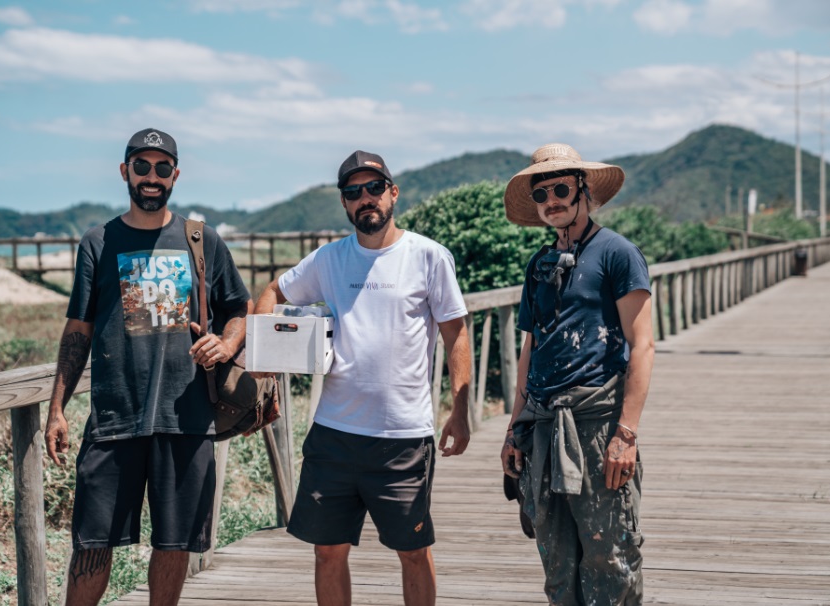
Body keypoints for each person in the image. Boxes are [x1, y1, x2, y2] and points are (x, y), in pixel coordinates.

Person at [253, 150, 472, 606]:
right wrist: (264, 354)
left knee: (413, 551)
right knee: (327, 551)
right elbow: (274, 290)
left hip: (403, 437)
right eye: (353, 193)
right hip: (334, 433)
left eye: (374, 188)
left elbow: (456, 333)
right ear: (344, 204)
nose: (365, 198)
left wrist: (460, 411)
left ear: (393, 192)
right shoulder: (328, 259)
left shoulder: (428, 256)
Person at [44, 128, 250, 606]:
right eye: (142, 166)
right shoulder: (98, 242)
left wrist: (226, 342)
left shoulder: (202, 240)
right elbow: (79, 328)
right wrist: (57, 408)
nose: (152, 177)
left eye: (162, 168)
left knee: (174, 543)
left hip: (186, 416)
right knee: (92, 543)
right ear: (125, 172)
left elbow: (237, 309)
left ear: (175, 175)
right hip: (115, 417)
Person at [499, 143, 655, 605]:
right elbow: (531, 346)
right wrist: (514, 430)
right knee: (557, 561)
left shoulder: (617, 254)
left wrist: (625, 433)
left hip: (597, 423)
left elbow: (642, 344)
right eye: (542, 194)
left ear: (584, 191)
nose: (553, 201)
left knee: (610, 557)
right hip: (544, 426)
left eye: (562, 188)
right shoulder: (539, 264)